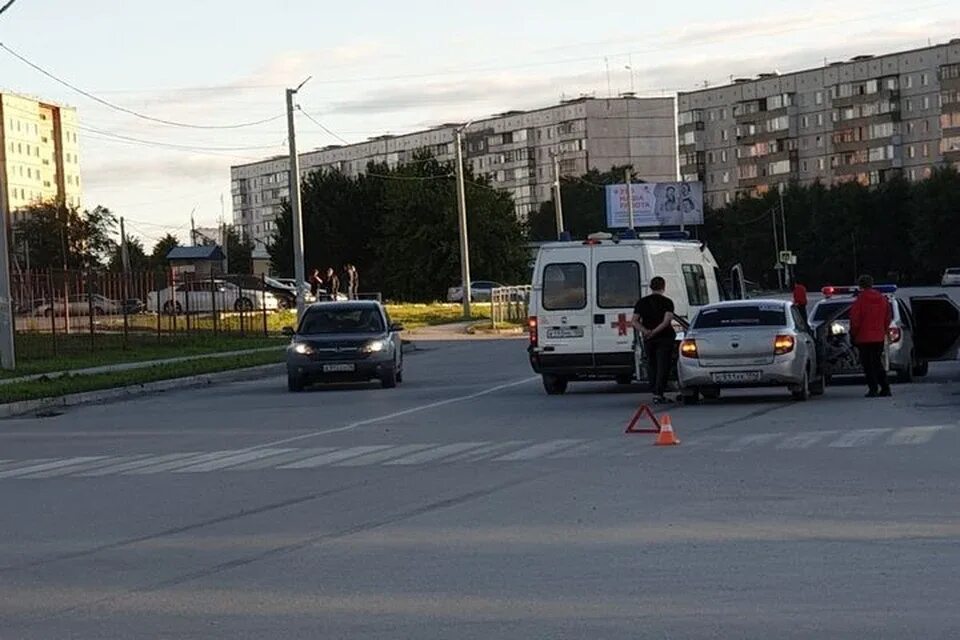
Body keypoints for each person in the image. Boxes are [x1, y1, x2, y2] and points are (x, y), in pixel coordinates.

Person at [632, 276, 677, 404]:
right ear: (664, 287)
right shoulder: (667, 302)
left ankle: (655, 391)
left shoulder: (642, 302)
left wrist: (646, 331)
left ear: (651, 287)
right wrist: (655, 332)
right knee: (663, 365)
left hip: (648, 339)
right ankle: (659, 392)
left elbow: (634, 321)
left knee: (652, 364)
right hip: (665, 337)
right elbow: (667, 321)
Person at [849, 274, 892, 398]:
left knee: (868, 364)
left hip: (863, 337)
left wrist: (853, 334)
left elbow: (855, 320)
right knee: (877, 362)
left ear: (860, 285)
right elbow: (888, 316)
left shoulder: (860, 300)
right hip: (878, 336)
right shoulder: (882, 298)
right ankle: (885, 387)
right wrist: (883, 329)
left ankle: (873, 388)